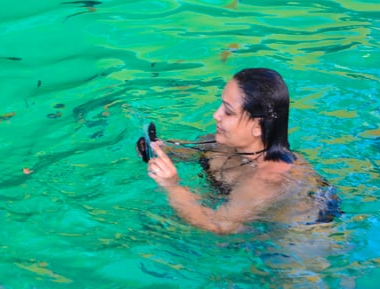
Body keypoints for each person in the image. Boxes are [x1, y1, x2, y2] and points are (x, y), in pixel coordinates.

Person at [143, 68, 338, 235]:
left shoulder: (269, 178)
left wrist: (172, 186)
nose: (216, 115)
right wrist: (157, 149)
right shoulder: (224, 143)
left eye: (228, 111)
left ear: (258, 127)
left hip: (300, 246)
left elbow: (219, 225)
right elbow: (190, 152)